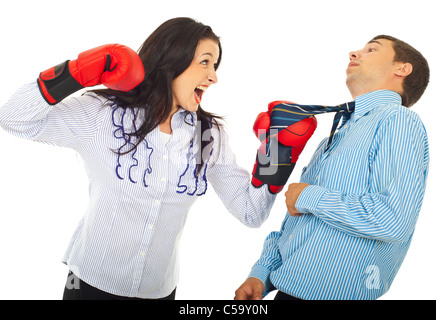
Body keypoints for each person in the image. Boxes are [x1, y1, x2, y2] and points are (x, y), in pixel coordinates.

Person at [0, 17, 315, 300]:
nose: (213, 77)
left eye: (216, 66)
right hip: (90, 285)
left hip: (160, 293)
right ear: (171, 60)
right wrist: (76, 72)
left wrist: (278, 151)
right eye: (205, 63)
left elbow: (251, 212)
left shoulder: (208, 135)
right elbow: (14, 118)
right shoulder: (103, 115)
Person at [234, 35, 430, 300]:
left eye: (371, 49)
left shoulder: (398, 120)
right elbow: (295, 220)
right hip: (284, 290)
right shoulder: (332, 139)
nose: (354, 53)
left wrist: (308, 196)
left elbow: (393, 220)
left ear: (402, 68)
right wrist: (261, 273)